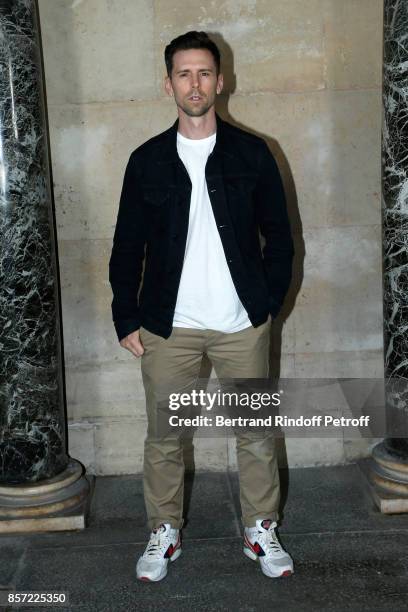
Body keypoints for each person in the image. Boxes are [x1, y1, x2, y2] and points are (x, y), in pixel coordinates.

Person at [109, 30, 295, 582]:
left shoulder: (253, 153)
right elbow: (125, 247)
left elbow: (280, 239)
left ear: (222, 80)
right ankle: (163, 531)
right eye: (184, 73)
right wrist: (126, 315)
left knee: (256, 434)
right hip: (171, 327)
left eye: (205, 73)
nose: (196, 83)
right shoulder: (145, 161)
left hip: (242, 324)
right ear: (168, 83)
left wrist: (266, 307)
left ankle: (261, 528)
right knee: (165, 437)